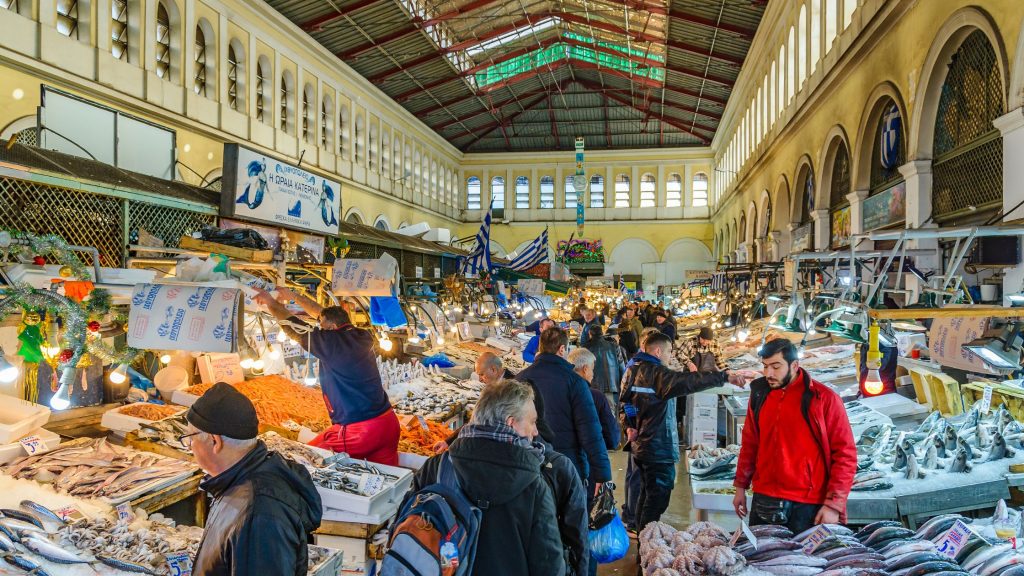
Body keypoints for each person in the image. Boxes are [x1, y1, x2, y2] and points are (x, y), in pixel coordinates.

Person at [413, 380, 566, 576]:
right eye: (533, 422)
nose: (536, 431)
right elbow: (548, 562)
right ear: (511, 423)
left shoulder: (436, 467)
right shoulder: (534, 484)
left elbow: (408, 527)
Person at [186, 383, 322, 575]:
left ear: (215, 441)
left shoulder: (259, 515)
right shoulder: (236, 481)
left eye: (190, 438)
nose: (189, 446)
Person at [255, 287, 400, 465]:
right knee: (389, 480)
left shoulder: (331, 343)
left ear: (331, 328)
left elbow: (292, 325)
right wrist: (294, 297)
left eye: (322, 327)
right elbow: (322, 314)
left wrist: (270, 302)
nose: (319, 329)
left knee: (304, 461)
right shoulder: (362, 335)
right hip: (388, 423)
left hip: (361, 431)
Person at [619, 332, 746, 530]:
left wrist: (628, 426)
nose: (671, 356)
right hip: (658, 447)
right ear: (658, 351)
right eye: (669, 352)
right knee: (656, 499)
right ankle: (646, 545)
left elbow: (623, 402)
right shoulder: (658, 374)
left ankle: (642, 539)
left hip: (640, 446)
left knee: (646, 493)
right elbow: (689, 381)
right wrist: (724, 376)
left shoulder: (632, 370)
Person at [732, 338, 858, 535]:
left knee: (808, 562)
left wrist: (834, 505)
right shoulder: (759, 394)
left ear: (795, 365)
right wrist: (740, 486)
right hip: (765, 497)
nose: (769, 374)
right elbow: (750, 444)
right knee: (760, 562)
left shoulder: (823, 398)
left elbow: (845, 454)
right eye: (765, 367)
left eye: (776, 366)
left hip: (808, 503)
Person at [517, 327, 612, 495]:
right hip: (569, 464)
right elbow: (590, 431)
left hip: (529, 463)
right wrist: (603, 474)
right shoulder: (575, 382)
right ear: (562, 349)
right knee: (570, 516)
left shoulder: (520, 378)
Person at [435, 351, 554, 450]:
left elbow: (536, 420)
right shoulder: (494, 389)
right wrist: (448, 441)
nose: (480, 379)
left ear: (493, 369)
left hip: (526, 446)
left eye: (482, 374)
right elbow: (476, 420)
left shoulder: (518, 386)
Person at [567, 348, 620, 453]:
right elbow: (612, 438)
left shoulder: (558, 391)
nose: (593, 374)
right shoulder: (596, 396)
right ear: (585, 369)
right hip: (589, 456)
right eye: (592, 369)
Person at [582, 325, 626, 406]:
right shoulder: (614, 346)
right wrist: (623, 387)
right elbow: (622, 368)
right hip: (612, 386)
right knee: (612, 414)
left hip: (593, 387)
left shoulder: (585, 347)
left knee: (596, 414)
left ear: (590, 334)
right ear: (602, 333)